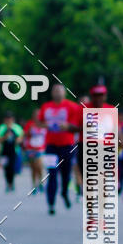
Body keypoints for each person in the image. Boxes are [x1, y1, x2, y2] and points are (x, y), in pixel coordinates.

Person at [37, 83, 81, 215]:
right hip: (51, 145)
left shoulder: (72, 107)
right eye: (55, 91)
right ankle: (51, 203)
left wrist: (67, 126)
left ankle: (64, 193)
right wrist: (46, 125)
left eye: (59, 90)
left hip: (67, 145)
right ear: (52, 93)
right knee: (52, 174)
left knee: (66, 174)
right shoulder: (46, 107)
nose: (57, 93)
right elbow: (39, 122)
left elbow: (77, 124)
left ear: (64, 93)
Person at [0, 113, 24, 192]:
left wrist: (18, 140)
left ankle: (12, 183)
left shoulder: (17, 128)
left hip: (14, 151)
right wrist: (5, 137)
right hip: (3, 151)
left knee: (12, 167)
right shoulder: (1, 128)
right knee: (6, 168)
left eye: (10, 119)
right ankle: (8, 183)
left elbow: (21, 137)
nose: (8, 120)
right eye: (7, 119)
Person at [22, 109, 46, 194]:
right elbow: (24, 134)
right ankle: (34, 185)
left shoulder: (44, 124)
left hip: (40, 148)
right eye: (36, 115)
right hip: (31, 148)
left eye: (39, 115)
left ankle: (41, 182)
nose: (37, 116)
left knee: (39, 166)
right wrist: (29, 131)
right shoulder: (30, 124)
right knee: (33, 168)